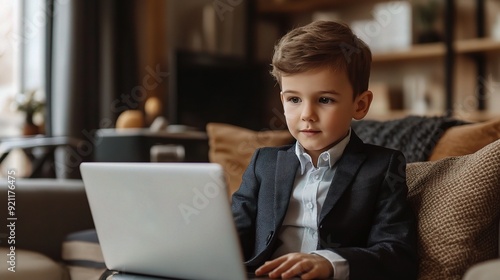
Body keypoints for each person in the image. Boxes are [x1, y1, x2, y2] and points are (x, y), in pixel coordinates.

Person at [231, 20, 418, 280]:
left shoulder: (382, 167)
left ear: (360, 105)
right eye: (294, 99)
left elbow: (398, 253)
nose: (307, 115)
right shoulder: (264, 162)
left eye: (325, 100)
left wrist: (328, 263)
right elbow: (231, 234)